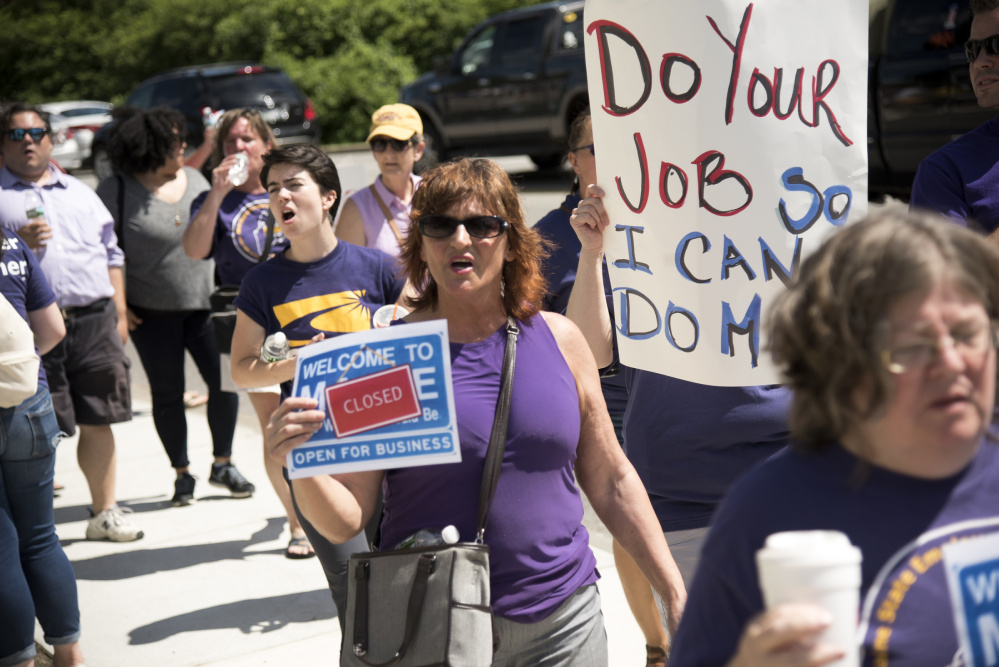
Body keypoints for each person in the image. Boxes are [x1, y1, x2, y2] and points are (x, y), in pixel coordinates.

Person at [265, 158, 687, 664]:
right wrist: (302, 465)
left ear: (511, 239)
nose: (460, 240)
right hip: (432, 625)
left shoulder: (561, 340)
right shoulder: (387, 359)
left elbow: (613, 478)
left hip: (564, 624)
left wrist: (673, 592)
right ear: (420, 242)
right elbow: (345, 520)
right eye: (440, 225)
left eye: (483, 224)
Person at [668, 208, 999, 667]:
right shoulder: (769, 512)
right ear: (845, 367)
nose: (953, 362)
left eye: (968, 333)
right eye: (912, 347)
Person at [566, 198, 789, 589]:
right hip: (684, 500)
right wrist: (591, 254)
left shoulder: (789, 221)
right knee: (710, 647)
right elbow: (587, 353)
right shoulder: (641, 233)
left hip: (792, 483)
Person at [231, 144, 405, 620]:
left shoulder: (379, 268)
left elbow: (418, 350)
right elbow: (242, 368)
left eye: (293, 185)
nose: (281, 196)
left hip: (390, 445)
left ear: (328, 197)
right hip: (317, 454)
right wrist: (304, 359)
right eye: (272, 189)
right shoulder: (262, 283)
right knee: (355, 597)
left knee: (406, 584)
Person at [535, 109, 669, 666]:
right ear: (573, 161)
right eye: (598, 145)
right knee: (632, 514)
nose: (613, 156)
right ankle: (659, 648)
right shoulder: (543, 237)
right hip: (604, 395)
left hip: (670, 385)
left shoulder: (671, 213)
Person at [0, 102, 143, 542]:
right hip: (27, 329)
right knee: (35, 424)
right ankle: (36, 526)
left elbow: (112, 253)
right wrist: (15, 243)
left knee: (99, 418)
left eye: (37, 132)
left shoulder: (81, 191)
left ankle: (105, 512)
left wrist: (119, 310)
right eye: (17, 134)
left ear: (51, 138)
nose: (29, 142)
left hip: (95, 319)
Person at [96, 107, 242, 507]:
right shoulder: (117, 190)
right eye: (174, 140)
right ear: (149, 147)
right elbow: (104, 253)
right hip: (151, 314)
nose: (183, 146)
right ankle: (182, 474)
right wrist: (120, 306)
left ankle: (223, 463)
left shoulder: (195, 179)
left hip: (207, 309)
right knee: (168, 393)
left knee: (227, 382)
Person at [183, 108, 310, 548]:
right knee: (275, 419)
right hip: (249, 320)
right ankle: (296, 522)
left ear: (266, 146)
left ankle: (322, 505)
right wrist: (216, 194)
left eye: (246, 140)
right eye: (230, 142)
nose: (238, 148)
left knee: (314, 413)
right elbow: (195, 250)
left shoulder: (288, 193)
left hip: (300, 310)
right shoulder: (214, 199)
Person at [0, 225, 86, 667]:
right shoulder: (10, 242)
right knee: (39, 538)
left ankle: (21, 660)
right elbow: (52, 328)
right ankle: (71, 655)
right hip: (28, 399)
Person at [910, 0, 999, 235]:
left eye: (996, 45)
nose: (980, 62)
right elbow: (941, 272)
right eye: (972, 50)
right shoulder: (944, 171)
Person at [334, 104, 424, 257]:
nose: (388, 153)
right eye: (379, 144)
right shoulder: (356, 208)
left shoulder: (434, 193)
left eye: (398, 143)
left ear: (418, 150)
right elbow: (346, 275)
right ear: (373, 151)